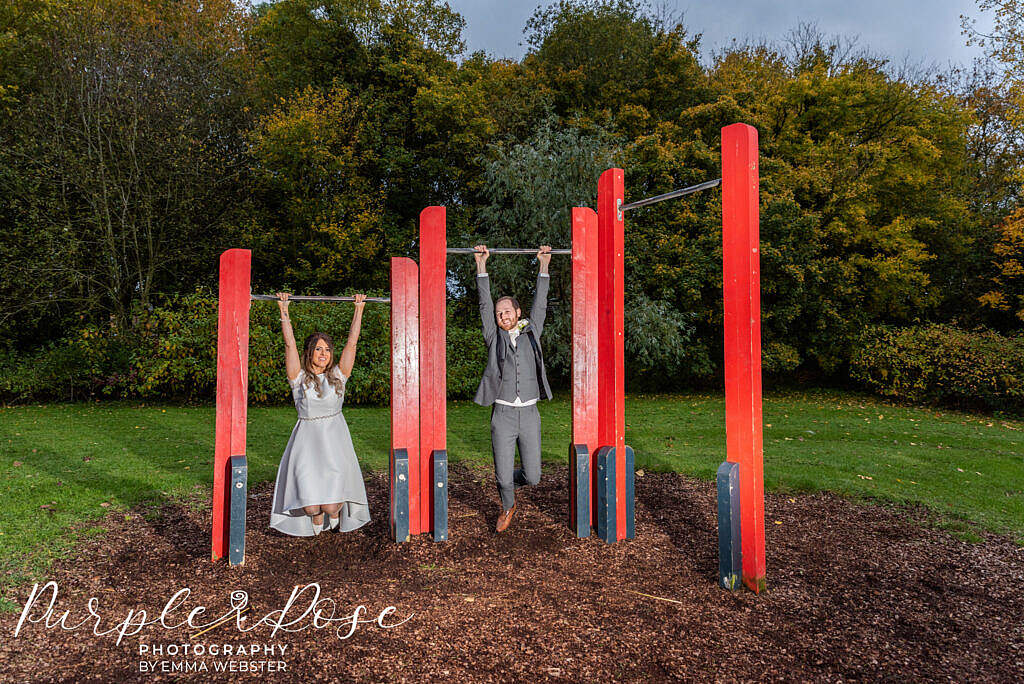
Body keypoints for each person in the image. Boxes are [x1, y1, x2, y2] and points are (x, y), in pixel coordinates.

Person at [269, 292, 371, 537]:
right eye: (318, 349)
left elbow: (352, 344)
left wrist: (359, 309)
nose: (323, 354)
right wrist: (284, 309)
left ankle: (334, 515)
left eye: (327, 349)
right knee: (311, 506)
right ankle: (316, 517)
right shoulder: (299, 378)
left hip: (334, 439)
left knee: (332, 504)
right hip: (307, 439)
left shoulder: (338, 376)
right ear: (310, 353)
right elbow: (289, 344)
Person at [473, 244, 553, 533]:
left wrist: (543, 266)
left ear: (518, 312)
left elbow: (541, 304)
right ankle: (508, 504)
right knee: (503, 479)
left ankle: (507, 481)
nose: (502, 315)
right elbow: (484, 304)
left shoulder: (533, 332)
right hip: (503, 415)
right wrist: (482, 267)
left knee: (532, 477)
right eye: (499, 313)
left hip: (530, 414)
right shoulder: (494, 337)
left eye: (507, 311)